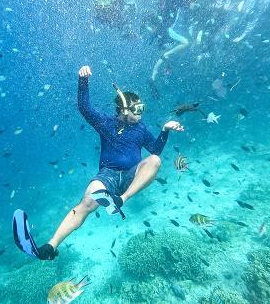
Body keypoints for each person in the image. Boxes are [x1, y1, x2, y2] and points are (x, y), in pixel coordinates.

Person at [13, 66, 184, 260]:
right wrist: (82, 81)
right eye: (138, 108)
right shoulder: (106, 122)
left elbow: (155, 149)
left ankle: (121, 200)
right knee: (87, 202)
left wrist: (165, 131)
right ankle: (50, 246)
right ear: (124, 110)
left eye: (142, 107)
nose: (141, 113)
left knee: (155, 160)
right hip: (108, 175)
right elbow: (84, 108)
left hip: (132, 176)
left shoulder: (141, 128)